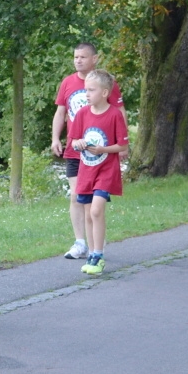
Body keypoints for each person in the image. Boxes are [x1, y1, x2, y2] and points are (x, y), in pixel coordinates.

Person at [51, 43, 123, 260]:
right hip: (76, 149)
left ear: (95, 59)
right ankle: (80, 242)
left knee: (93, 204)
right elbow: (60, 112)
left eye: (83, 56)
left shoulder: (106, 83)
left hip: (100, 154)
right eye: (75, 57)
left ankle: (95, 247)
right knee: (76, 196)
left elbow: (119, 112)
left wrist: (120, 145)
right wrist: (56, 138)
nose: (78, 60)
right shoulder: (68, 83)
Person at [67, 70, 129, 275]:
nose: (86, 94)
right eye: (85, 90)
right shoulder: (83, 114)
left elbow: (121, 146)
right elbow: (73, 141)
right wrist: (80, 143)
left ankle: (99, 255)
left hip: (106, 170)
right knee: (87, 212)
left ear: (104, 92)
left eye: (91, 90)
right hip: (87, 170)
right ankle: (92, 253)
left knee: (96, 210)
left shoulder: (114, 115)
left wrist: (103, 150)